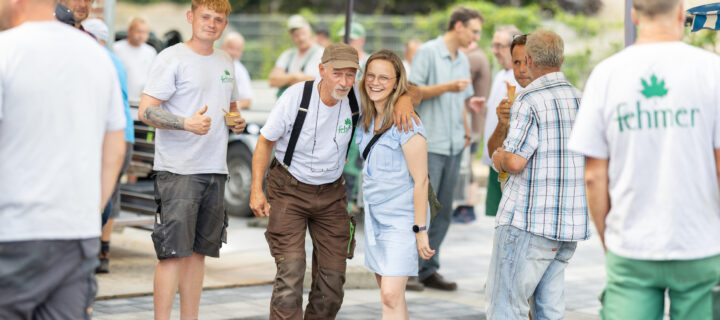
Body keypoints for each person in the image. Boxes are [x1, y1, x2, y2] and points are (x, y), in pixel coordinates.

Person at [568, 0, 720, 318]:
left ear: (635, 16)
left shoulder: (606, 75)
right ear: (681, 13)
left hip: (632, 246)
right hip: (699, 245)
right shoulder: (712, 71)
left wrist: (611, 241)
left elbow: (594, 176)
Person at [250, 43, 420, 320]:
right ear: (322, 70)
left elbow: (408, 89)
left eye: (350, 74)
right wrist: (256, 189)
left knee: (332, 285)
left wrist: (404, 100)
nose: (344, 82)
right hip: (289, 190)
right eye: (337, 74)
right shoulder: (297, 97)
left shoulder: (357, 94)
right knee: (290, 274)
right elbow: (264, 142)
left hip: (331, 194)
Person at [0, 0, 126, 317]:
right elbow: (115, 143)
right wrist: (91, 208)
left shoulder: (6, 50)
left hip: (13, 232)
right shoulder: (97, 56)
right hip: (76, 234)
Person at [137, 0, 247, 318]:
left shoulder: (226, 60)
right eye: (205, 17)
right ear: (191, 17)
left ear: (225, 23)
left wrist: (235, 120)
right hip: (179, 170)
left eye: (218, 19)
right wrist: (186, 123)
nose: (211, 23)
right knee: (172, 254)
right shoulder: (171, 58)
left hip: (215, 169)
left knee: (199, 254)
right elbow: (146, 110)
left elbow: (232, 110)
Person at [485, 30, 587, 319]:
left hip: (527, 223)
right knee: (549, 310)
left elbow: (515, 162)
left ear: (529, 60)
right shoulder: (580, 99)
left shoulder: (530, 98)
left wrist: (498, 158)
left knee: (506, 307)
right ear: (562, 59)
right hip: (567, 227)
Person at [407, 6, 484, 292]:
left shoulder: (463, 59)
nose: (476, 37)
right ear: (459, 26)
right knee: (424, 210)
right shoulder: (428, 52)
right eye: (474, 31)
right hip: (430, 144)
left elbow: (462, 100)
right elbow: (413, 93)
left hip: (454, 144)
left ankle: (428, 269)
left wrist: (465, 131)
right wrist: (446, 87)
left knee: (445, 212)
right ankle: (409, 270)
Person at [357, 49, 436, 318]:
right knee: (391, 296)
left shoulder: (407, 123)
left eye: (384, 78)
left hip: (402, 221)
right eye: (371, 75)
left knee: (390, 294)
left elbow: (421, 181)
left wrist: (420, 230)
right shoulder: (366, 119)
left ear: (396, 82)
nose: (375, 82)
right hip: (375, 217)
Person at [83, 18, 137, 274]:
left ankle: (90, 251)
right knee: (110, 192)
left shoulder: (95, 58)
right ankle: (103, 250)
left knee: (97, 192)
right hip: (126, 137)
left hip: (109, 136)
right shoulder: (116, 60)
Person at [480, 25, 522, 217]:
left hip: (508, 160)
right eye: (494, 45)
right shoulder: (500, 75)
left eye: (500, 46)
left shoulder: (520, 77)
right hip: (493, 156)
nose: (495, 51)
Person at [452, 39, 491, 223]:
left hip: (472, 123)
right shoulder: (477, 56)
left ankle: (468, 207)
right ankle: (466, 205)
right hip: (473, 122)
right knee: (469, 163)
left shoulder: (473, 58)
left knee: (469, 165)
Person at [486, 34, 531, 178]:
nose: (522, 69)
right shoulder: (515, 96)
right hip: (505, 182)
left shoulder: (552, 100)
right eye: (516, 62)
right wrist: (502, 124)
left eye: (527, 62)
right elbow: (493, 153)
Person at [268, 15, 324, 97]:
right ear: (291, 36)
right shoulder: (287, 54)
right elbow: (273, 80)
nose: (301, 38)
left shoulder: (321, 53)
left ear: (310, 32)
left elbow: (317, 83)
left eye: (303, 33)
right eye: (296, 35)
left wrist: (285, 80)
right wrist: (295, 76)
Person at [113, 17, 157, 107]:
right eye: (138, 31)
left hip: (142, 104)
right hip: (122, 103)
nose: (141, 35)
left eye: (145, 32)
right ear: (129, 31)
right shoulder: (116, 49)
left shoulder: (151, 52)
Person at [222, 32, 252, 109]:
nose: (234, 52)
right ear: (223, 46)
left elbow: (247, 100)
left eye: (238, 49)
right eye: (231, 48)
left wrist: (232, 107)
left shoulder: (241, 71)